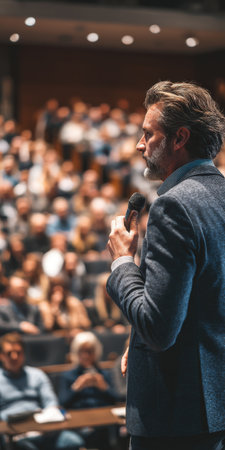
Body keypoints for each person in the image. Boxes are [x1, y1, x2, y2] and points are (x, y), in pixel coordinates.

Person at [106, 81, 225, 450]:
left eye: (147, 134)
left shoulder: (173, 206)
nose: (139, 145)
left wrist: (123, 262)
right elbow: (203, 301)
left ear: (179, 138)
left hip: (175, 416)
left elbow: (159, 330)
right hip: (214, 405)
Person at [0, 332, 85, 450]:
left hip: (42, 429)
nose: (14, 357)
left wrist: (49, 417)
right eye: (9, 353)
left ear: (23, 354)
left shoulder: (37, 375)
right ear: (1, 356)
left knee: (74, 441)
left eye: (18, 353)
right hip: (14, 433)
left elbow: (51, 403)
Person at [58, 331, 118, 450]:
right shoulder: (68, 376)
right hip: (78, 424)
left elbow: (116, 400)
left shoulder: (104, 374)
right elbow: (62, 403)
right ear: (76, 353)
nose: (86, 355)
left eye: (90, 351)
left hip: (103, 424)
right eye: (82, 351)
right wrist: (77, 388)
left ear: (95, 353)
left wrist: (103, 387)